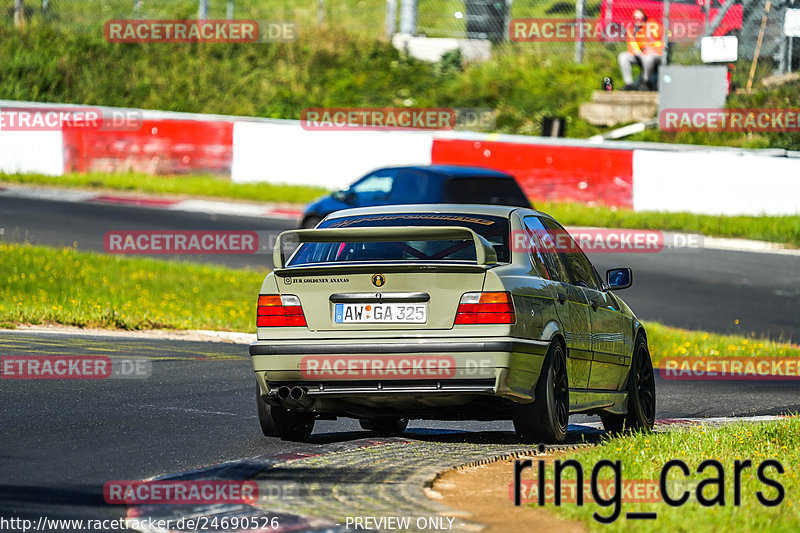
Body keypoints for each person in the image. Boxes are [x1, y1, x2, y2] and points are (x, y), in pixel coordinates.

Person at [618, 9, 664, 91]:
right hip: (641, 54)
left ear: (644, 18)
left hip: (656, 54)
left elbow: (665, 40)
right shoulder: (631, 29)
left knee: (648, 58)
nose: (638, 20)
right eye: (636, 18)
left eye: (640, 18)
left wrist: (655, 49)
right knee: (623, 56)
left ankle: (646, 82)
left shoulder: (654, 25)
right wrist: (638, 52)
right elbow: (632, 46)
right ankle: (629, 84)